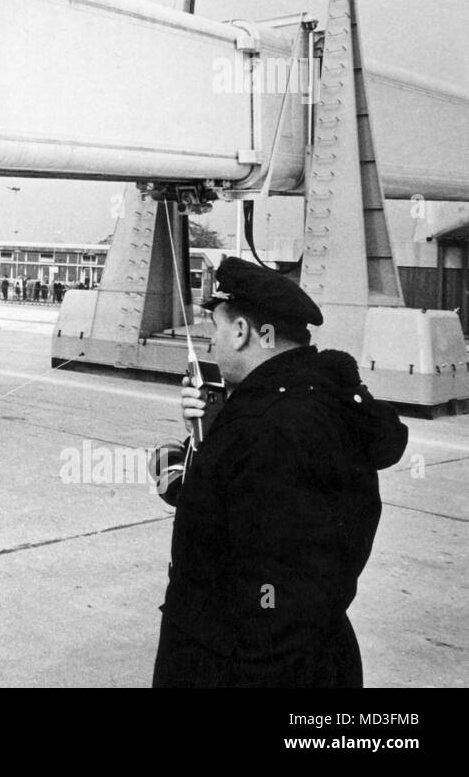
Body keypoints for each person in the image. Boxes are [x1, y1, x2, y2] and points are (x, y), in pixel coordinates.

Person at [151, 257, 407, 688]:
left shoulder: (267, 428)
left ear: (248, 332)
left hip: (239, 666)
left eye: (216, 328)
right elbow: (243, 517)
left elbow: (274, 595)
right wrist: (207, 437)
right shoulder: (317, 400)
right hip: (311, 656)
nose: (211, 344)